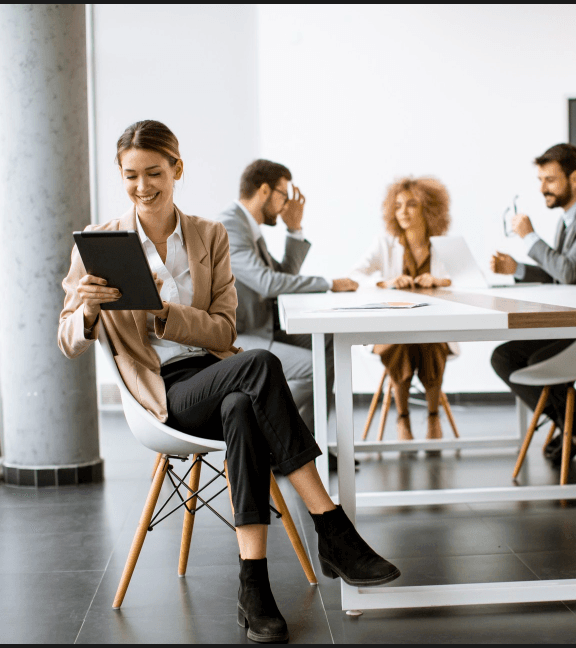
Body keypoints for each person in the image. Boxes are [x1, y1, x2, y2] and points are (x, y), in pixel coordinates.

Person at [57, 121, 398, 643]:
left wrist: (164, 311)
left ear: (177, 169)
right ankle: (332, 528)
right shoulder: (100, 243)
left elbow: (223, 329)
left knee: (243, 403)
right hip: (161, 392)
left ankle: (254, 587)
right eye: (131, 175)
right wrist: (85, 311)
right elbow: (67, 339)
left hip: (214, 372)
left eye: (154, 172)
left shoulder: (209, 236)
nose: (143, 186)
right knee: (260, 364)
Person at [488, 143, 576, 463]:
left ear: (575, 178)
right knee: (505, 356)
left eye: (550, 180)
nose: (542, 189)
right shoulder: (570, 219)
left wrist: (529, 238)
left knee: (536, 359)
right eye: (540, 180)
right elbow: (561, 272)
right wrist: (517, 269)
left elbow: (567, 272)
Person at [214, 160, 358, 451]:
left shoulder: (248, 227)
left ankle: (304, 445)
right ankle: (282, 442)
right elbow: (268, 283)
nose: (286, 205)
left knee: (328, 344)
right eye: (284, 195)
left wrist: (294, 230)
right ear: (265, 190)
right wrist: (329, 283)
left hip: (264, 325)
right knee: (314, 368)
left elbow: (282, 276)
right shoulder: (230, 225)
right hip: (240, 335)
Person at [350, 176, 456, 445]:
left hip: (433, 331)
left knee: (429, 341)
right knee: (400, 344)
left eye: (411, 205)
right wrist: (385, 282)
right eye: (397, 206)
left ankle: (432, 416)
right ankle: (403, 418)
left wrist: (440, 281)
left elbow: (469, 280)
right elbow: (354, 276)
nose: (403, 212)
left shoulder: (444, 246)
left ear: (428, 209)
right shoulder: (385, 244)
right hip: (392, 332)